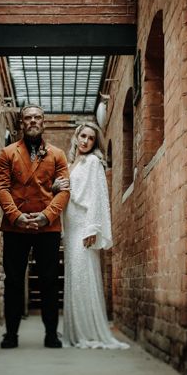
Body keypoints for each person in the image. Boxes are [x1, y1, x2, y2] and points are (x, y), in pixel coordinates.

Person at [0, 104, 71, 349]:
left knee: (49, 281)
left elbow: (64, 191)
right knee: (14, 280)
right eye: (28, 118)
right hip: (15, 227)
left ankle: (51, 334)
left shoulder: (57, 154)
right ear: (21, 123)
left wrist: (47, 216)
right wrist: (16, 216)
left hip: (47, 227)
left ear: (43, 122)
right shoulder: (7, 153)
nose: (33, 121)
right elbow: (2, 187)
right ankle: (11, 334)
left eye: (38, 117)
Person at [55, 123, 129, 350]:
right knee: (74, 278)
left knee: (84, 276)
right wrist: (55, 186)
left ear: (95, 143)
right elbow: (64, 192)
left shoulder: (94, 162)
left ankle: (88, 331)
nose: (86, 141)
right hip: (71, 226)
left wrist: (92, 228)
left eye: (91, 138)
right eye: (83, 136)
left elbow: (97, 195)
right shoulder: (70, 164)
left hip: (84, 225)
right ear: (76, 137)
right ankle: (75, 331)